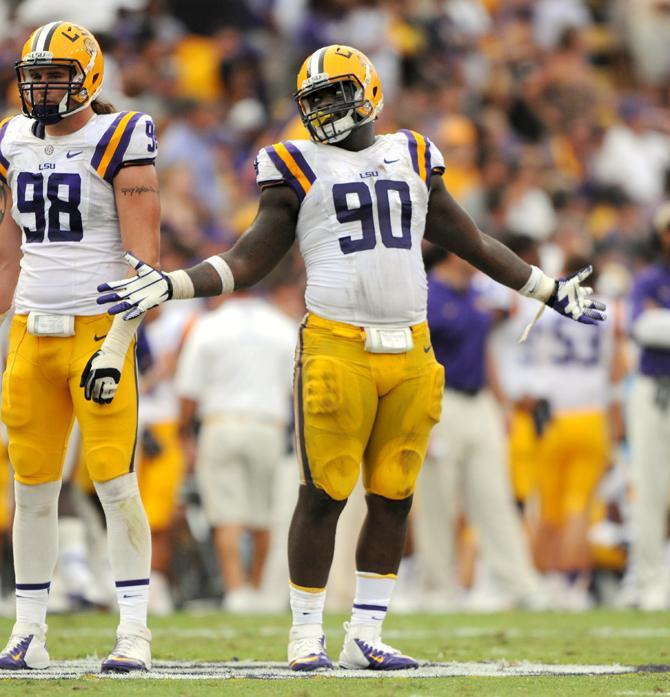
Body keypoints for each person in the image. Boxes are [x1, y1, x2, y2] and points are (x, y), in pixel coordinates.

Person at [96, 45, 605, 670]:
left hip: (412, 346)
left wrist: (545, 289)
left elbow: (468, 240)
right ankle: (305, 635)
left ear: (370, 93)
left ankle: (366, 633)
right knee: (323, 494)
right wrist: (174, 283)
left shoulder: (413, 154)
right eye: (316, 100)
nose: (326, 109)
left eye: (337, 94)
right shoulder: (295, 164)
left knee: (395, 496)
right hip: (337, 344)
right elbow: (252, 257)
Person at [0, 22, 159, 672]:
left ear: (89, 76)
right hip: (30, 330)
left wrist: (118, 343)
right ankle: (29, 628)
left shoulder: (120, 136)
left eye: (55, 76)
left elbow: (145, 258)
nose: (41, 88)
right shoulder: (11, 137)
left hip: (98, 326)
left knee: (115, 483)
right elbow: (9, 248)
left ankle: (134, 632)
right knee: (29, 486)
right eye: (34, 76)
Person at [413, 252, 546, 612]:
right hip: (441, 403)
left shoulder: (475, 293)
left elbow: (485, 351)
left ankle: (518, 583)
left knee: (494, 496)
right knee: (438, 499)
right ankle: (437, 587)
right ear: (450, 253)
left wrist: (500, 401)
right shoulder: (424, 292)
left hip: (479, 402)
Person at [175, 287, 296, 613]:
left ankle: (237, 591)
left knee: (227, 514)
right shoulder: (282, 326)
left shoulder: (208, 325)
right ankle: (257, 590)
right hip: (268, 425)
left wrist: (183, 431)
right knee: (262, 514)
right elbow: (293, 388)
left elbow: (188, 390)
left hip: (221, 423)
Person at [628, 202, 670, 610]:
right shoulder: (650, 280)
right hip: (655, 391)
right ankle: (651, 578)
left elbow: (658, 326)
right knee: (651, 486)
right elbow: (642, 327)